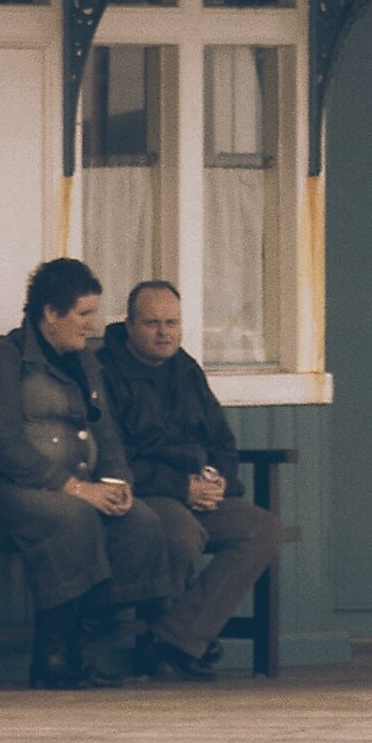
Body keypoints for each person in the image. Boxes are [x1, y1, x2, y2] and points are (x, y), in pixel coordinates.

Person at [0, 258, 171, 690]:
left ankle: (82, 644)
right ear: (51, 313)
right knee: (72, 518)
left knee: (140, 522)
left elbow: (105, 429)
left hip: (77, 487)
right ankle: (52, 654)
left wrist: (116, 483)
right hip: (5, 488)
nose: (92, 324)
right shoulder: (4, 358)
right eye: (83, 314)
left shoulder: (85, 361)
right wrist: (72, 487)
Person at [98, 280, 283, 681]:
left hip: (198, 492)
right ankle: (181, 642)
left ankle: (173, 640)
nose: (164, 333)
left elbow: (222, 441)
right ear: (129, 325)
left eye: (172, 323)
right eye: (152, 323)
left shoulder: (185, 369)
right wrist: (181, 488)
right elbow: (115, 459)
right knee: (181, 533)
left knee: (263, 529)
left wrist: (218, 480)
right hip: (145, 493)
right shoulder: (104, 372)